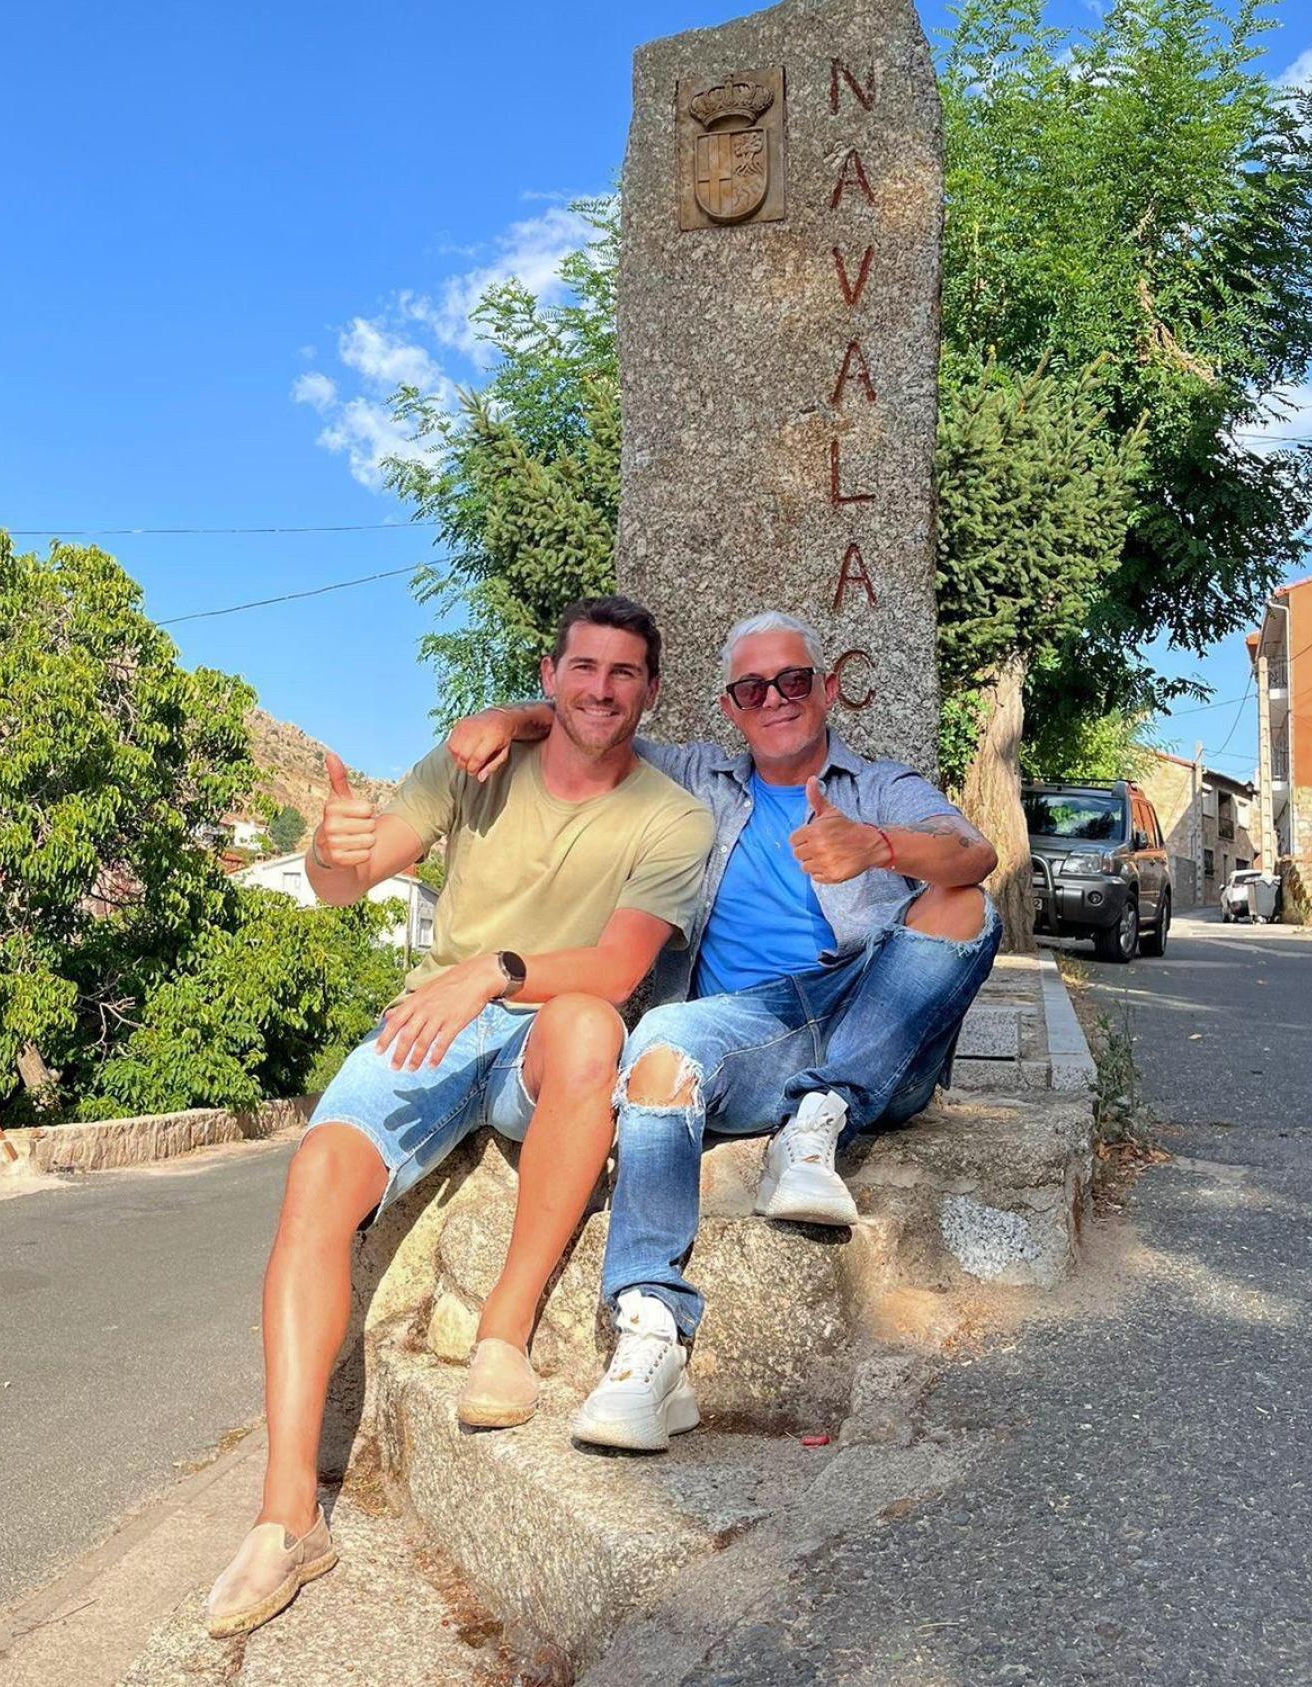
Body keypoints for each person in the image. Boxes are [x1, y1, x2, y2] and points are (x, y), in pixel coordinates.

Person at [207, 596, 713, 1637]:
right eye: (582, 668)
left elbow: (619, 966)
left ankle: (502, 1333)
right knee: (314, 1181)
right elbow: (347, 886)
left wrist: (493, 970)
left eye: (624, 674)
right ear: (549, 672)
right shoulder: (472, 763)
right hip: (434, 1021)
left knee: (588, 1025)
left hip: (530, 1028)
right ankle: (285, 1517)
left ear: (651, 690)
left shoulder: (672, 816)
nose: (600, 690)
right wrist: (326, 853)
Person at [448, 610, 1000, 1454]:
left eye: (794, 681)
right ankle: (651, 1336)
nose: (776, 698)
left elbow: (973, 855)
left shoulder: (881, 786)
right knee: (661, 1043)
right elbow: (598, 724)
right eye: (753, 688)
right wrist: (508, 718)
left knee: (967, 906)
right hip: (749, 1032)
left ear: (826, 689)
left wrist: (878, 848)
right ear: (729, 707)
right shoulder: (696, 776)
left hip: (875, 1014)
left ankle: (821, 1116)